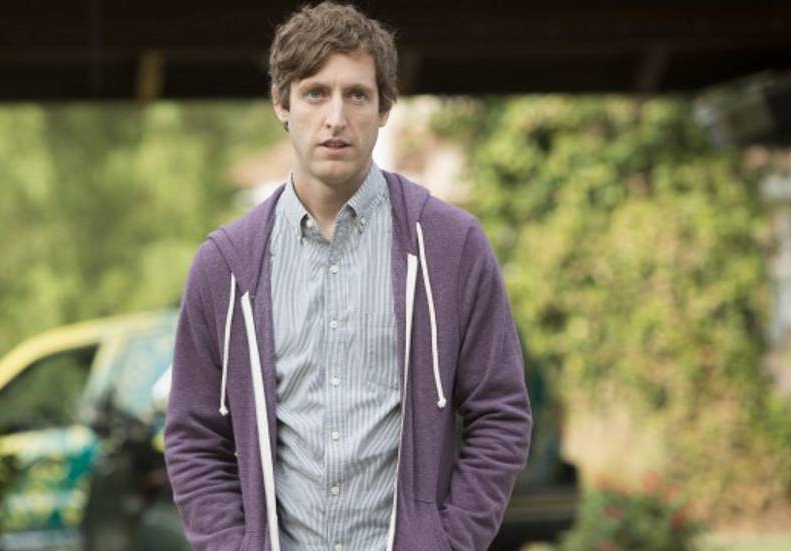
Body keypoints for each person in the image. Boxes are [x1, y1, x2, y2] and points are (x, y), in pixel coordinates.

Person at [163, 3, 532, 550]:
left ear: (384, 107)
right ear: (281, 102)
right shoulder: (226, 266)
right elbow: (193, 438)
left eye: (357, 95)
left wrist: (448, 542)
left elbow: (501, 415)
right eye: (315, 93)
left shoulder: (452, 248)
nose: (336, 117)